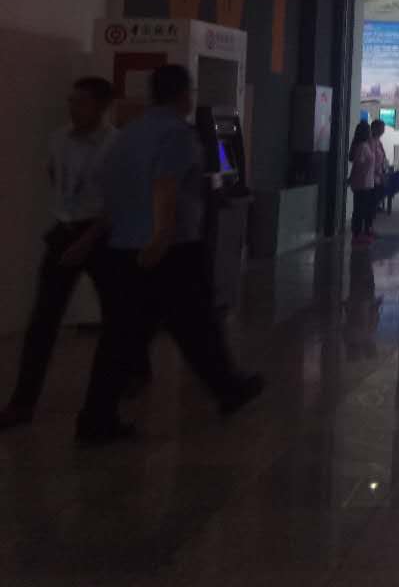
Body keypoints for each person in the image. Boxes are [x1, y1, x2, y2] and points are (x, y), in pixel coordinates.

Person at [77, 65, 262, 445]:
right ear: (183, 95)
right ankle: (228, 388)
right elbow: (166, 186)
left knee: (125, 336)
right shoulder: (177, 134)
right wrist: (160, 237)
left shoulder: (128, 134)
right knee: (196, 324)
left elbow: (106, 183)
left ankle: (96, 416)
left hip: (124, 248)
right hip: (171, 250)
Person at [0, 78, 119, 431]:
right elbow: (55, 176)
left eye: (81, 102)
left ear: (101, 106)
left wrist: (88, 237)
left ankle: (129, 377)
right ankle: (22, 403)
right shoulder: (58, 139)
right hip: (65, 231)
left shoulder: (115, 145)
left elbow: (116, 200)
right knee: (43, 320)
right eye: (72, 100)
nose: (73, 107)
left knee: (117, 316)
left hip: (100, 236)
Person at [348, 120, 377, 246]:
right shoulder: (362, 147)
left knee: (363, 208)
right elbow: (358, 165)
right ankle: (357, 234)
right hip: (362, 183)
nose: (371, 133)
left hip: (366, 183)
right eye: (369, 130)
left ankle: (361, 233)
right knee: (359, 209)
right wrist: (353, 178)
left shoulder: (365, 146)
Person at [369, 119, 389, 223]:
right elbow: (372, 160)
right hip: (373, 177)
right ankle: (367, 226)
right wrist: (379, 172)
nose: (383, 130)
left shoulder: (378, 142)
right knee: (371, 201)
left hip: (379, 175)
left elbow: (382, 157)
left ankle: (370, 225)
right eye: (382, 128)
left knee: (377, 197)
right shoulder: (371, 142)